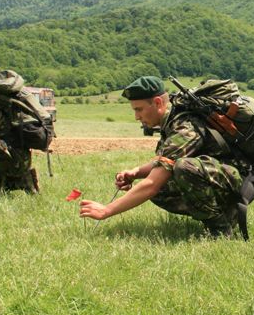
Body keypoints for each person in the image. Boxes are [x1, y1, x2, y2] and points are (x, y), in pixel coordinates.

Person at [79, 76, 242, 237]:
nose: (137, 117)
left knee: (183, 168)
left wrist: (106, 210)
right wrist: (136, 172)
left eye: (139, 109)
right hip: (216, 176)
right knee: (163, 183)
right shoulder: (172, 120)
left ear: (157, 103)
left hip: (234, 179)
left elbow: (152, 184)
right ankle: (212, 216)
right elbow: (163, 160)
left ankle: (221, 228)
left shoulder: (185, 128)